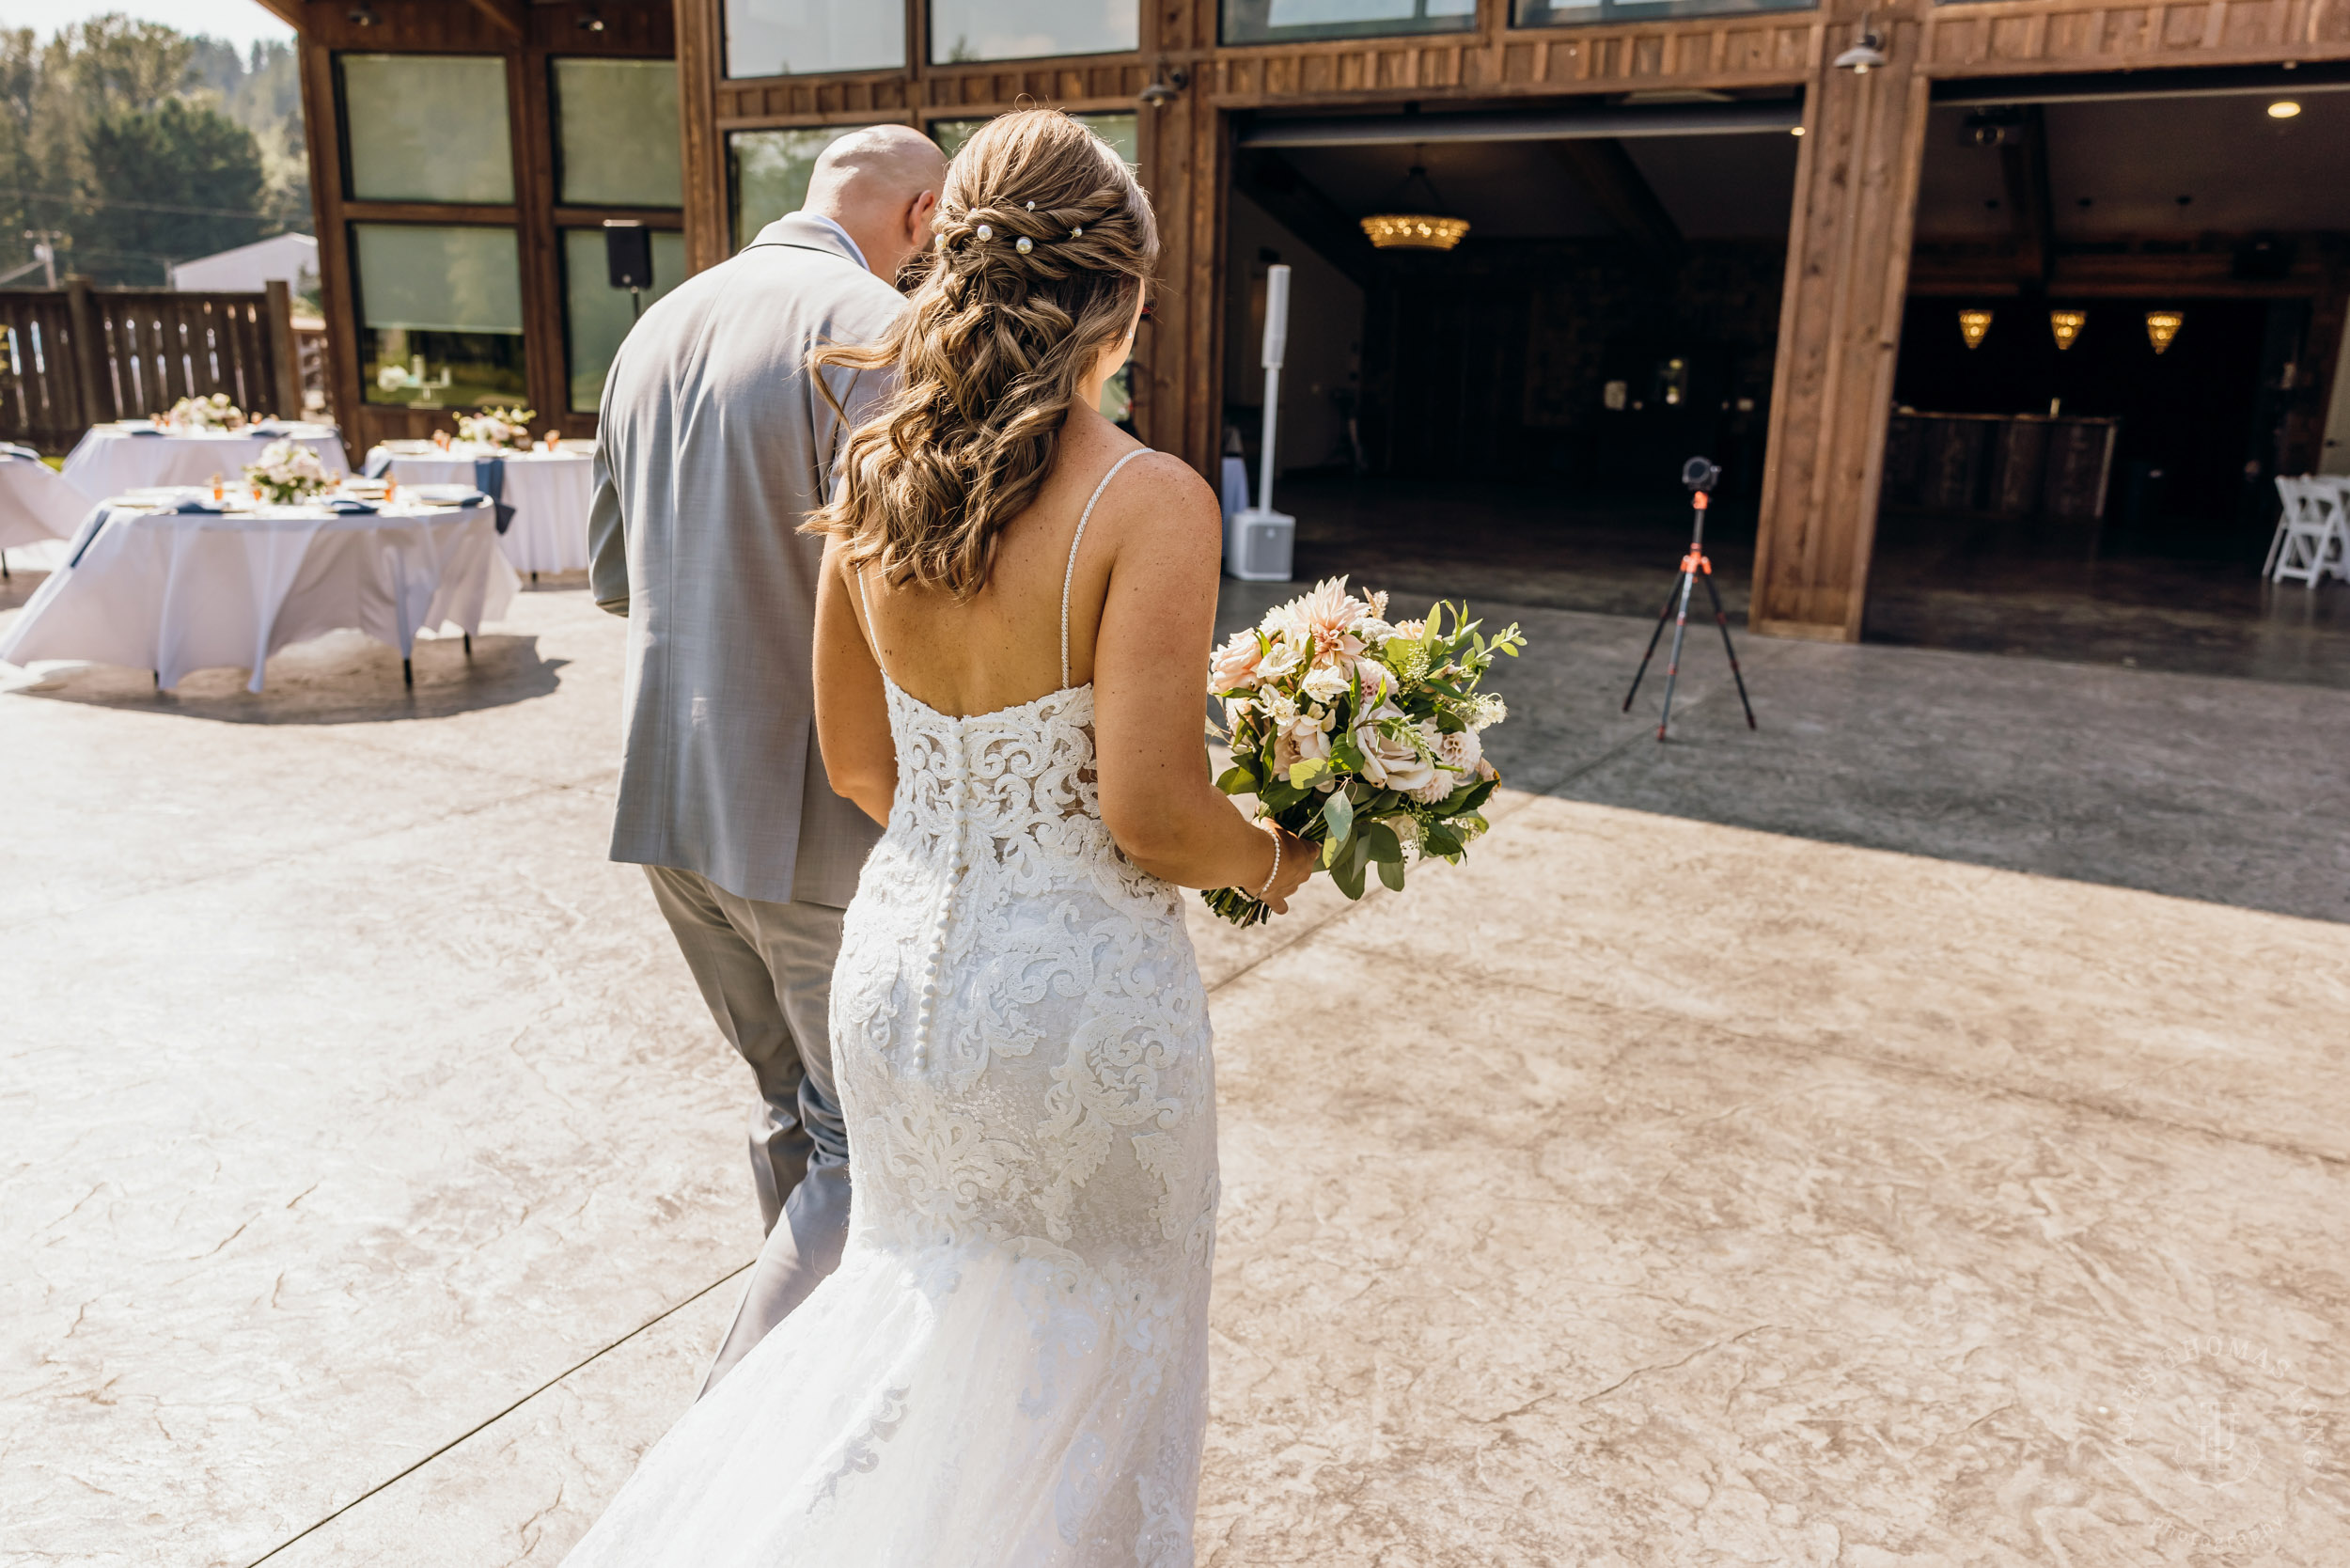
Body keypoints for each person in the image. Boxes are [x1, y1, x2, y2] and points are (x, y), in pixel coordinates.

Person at [564, 110, 1312, 1565]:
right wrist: (1287, 856)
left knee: (913, 1332)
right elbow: (1156, 815)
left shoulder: (876, 472)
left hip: (902, 974)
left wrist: (984, 846)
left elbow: (858, 759)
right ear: (1124, 292)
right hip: (1075, 1005)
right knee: (1088, 1367)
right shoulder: (1143, 498)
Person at [587, 125, 948, 1395]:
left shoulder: (653, 329)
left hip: (665, 808)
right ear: (919, 215)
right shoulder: (875, 333)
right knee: (866, 1147)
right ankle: (740, 1450)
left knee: (789, 1113)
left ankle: (813, 1391)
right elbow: (921, 598)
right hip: (811, 818)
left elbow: (615, 579)